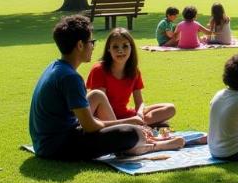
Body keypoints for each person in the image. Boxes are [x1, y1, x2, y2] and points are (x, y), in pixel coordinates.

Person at [28, 15, 183, 160]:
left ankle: (139, 138)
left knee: (96, 95)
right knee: (129, 133)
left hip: (48, 141)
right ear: (80, 45)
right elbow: (89, 126)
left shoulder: (56, 67)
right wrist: (128, 122)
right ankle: (152, 146)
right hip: (57, 147)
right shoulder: (71, 77)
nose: (93, 47)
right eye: (91, 42)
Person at [86, 28, 177, 126]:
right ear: (109, 49)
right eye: (115, 47)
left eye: (125, 46)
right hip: (107, 118)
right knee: (161, 123)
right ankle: (132, 125)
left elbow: (139, 102)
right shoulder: (99, 69)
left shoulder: (134, 71)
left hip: (126, 115)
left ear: (131, 48)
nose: (120, 50)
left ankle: (136, 124)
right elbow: (100, 107)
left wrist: (139, 113)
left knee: (170, 108)